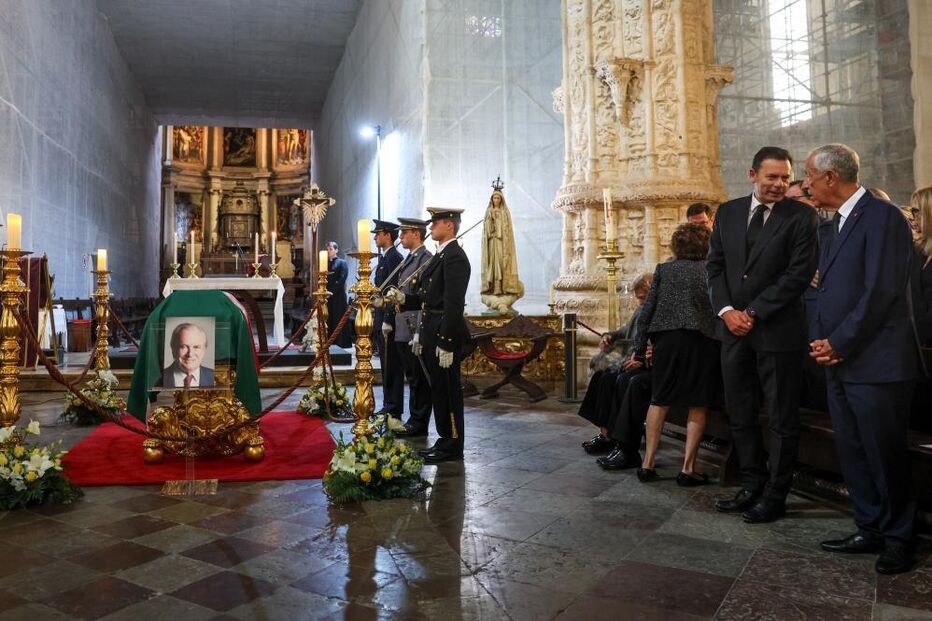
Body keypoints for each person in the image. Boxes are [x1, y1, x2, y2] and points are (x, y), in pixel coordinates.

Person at [805, 144, 920, 574]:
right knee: (853, 450)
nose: (806, 185)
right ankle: (869, 526)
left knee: (884, 453)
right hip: (839, 360)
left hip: (877, 361)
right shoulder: (833, 224)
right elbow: (825, 288)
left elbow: (882, 290)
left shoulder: (883, 216)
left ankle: (898, 538)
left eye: (810, 177)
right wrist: (821, 339)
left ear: (832, 178)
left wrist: (840, 341)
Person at [707, 146, 818, 523]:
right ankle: (751, 483)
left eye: (785, 177)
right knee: (740, 412)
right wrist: (726, 311)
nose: (779, 184)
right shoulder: (728, 212)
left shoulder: (802, 216)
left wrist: (752, 312)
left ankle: (775, 494)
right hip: (733, 332)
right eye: (772, 177)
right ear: (752, 174)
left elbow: (798, 275)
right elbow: (715, 268)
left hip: (778, 331)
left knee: (781, 418)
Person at [630, 224, 720, 485]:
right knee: (697, 403)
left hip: (666, 340)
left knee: (660, 399)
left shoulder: (664, 270)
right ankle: (687, 469)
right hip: (702, 340)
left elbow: (647, 311)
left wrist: (639, 348)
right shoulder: (711, 269)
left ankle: (647, 464)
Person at [383, 207, 471, 464]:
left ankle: (453, 444)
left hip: (444, 330)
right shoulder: (441, 256)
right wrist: (405, 298)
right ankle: (445, 439)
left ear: (449, 226)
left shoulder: (455, 256)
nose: (430, 228)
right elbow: (428, 297)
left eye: (435, 224)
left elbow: (454, 304)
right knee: (437, 389)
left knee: (448, 391)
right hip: (431, 327)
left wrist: (446, 342)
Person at [578, 273, 652, 455]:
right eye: (638, 298)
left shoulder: (657, 311)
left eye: (642, 298)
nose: (640, 302)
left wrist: (642, 357)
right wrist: (610, 335)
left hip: (644, 363)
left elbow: (654, 341)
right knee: (600, 376)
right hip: (631, 358)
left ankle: (615, 438)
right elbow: (626, 330)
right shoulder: (642, 309)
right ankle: (606, 433)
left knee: (614, 379)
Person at [392, 217, 434, 437]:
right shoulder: (410, 259)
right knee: (411, 375)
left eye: (404, 232)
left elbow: (422, 297)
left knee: (419, 376)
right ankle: (413, 419)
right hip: (402, 324)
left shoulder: (425, 259)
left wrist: (418, 330)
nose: (400, 237)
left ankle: (418, 422)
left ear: (416, 234)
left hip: (414, 325)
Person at [372, 220, 404, 417]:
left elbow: (393, 292)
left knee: (392, 364)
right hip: (380, 315)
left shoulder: (394, 258)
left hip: (388, 319)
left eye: (378, 233)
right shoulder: (384, 258)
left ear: (388, 235)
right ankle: (388, 403)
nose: (375, 237)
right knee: (385, 364)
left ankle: (393, 406)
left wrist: (388, 319)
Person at [480, 183, 523, 301]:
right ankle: (493, 287)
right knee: (492, 264)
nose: (496, 200)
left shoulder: (504, 212)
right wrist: (490, 220)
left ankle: (502, 287)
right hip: (491, 241)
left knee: (500, 262)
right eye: (494, 198)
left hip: (501, 242)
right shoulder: (488, 211)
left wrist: (497, 219)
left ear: (501, 199)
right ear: (492, 199)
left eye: (498, 198)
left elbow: (506, 229)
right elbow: (485, 229)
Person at [162, 322, 215, 388]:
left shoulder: (216, 377)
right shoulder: (159, 378)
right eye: (183, 346)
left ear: (204, 350)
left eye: (196, 347)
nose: (190, 354)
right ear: (173, 348)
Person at [325, 241, 352, 348]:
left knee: (338, 318)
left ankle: (341, 342)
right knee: (329, 318)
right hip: (327, 295)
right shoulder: (325, 263)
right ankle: (329, 340)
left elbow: (342, 279)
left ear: (336, 250)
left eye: (331, 249)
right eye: (327, 249)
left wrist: (331, 292)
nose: (328, 251)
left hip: (338, 296)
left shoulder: (342, 262)